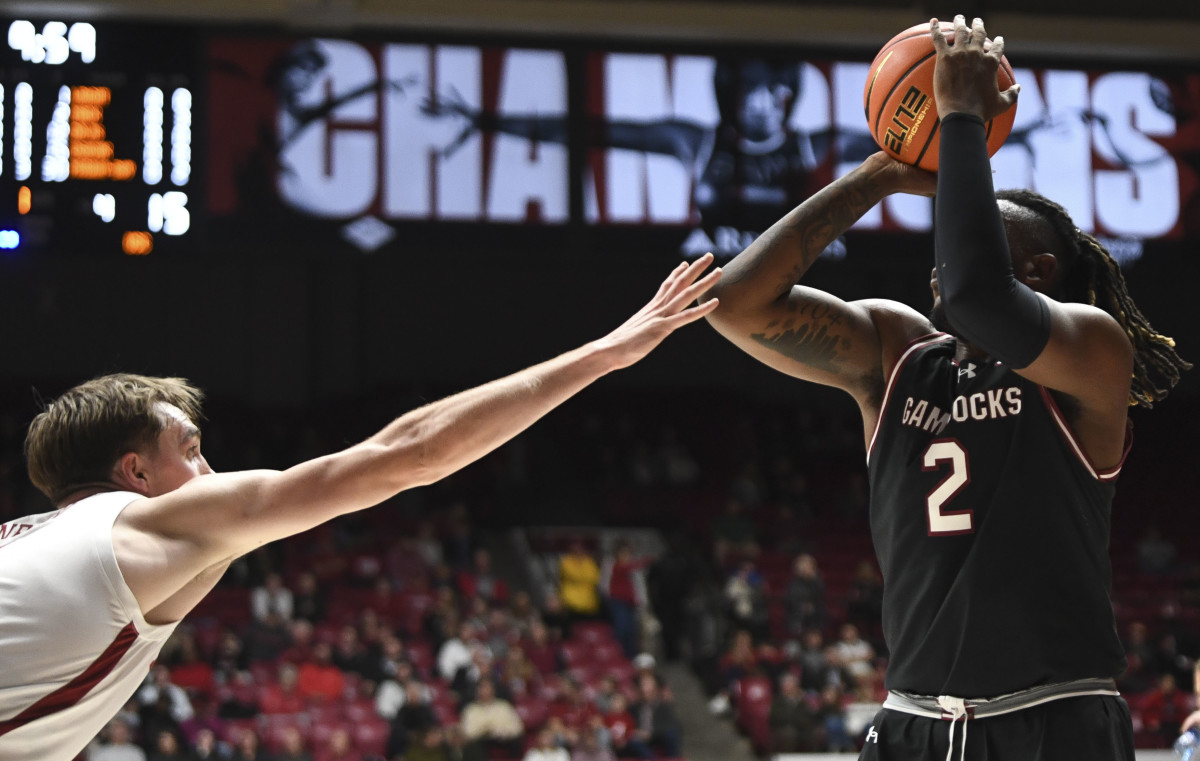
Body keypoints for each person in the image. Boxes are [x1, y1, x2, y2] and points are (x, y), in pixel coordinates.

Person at [0, 257, 721, 761]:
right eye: (191, 451)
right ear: (134, 472)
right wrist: (602, 355)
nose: (210, 471)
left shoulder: (23, 542)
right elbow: (404, 454)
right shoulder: (145, 522)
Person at [703, 16, 1189, 761]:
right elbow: (735, 305)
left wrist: (961, 118)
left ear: (1039, 274)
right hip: (912, 725)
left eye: (974, 238)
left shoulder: (1093, 349)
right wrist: (876, 175)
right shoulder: (898, 355)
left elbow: (976, 295)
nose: (942, 259)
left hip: (1053, 720)